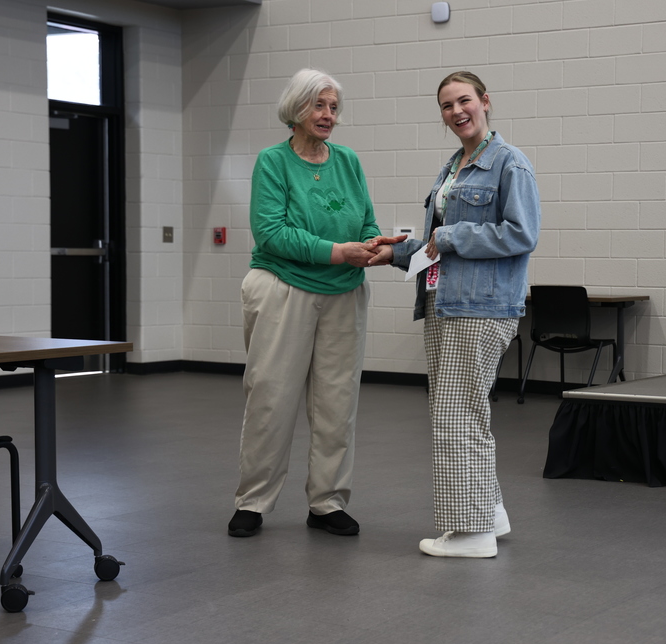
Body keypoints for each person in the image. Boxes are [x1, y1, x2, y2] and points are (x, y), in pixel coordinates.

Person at [368, 71, 540, 558]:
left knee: (456, 414)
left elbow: (521, 234)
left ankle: (471, 534)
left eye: (464, 100)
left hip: (480, 309)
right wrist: (393, 252)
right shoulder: (453, 168)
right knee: (463, 412)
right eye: (446, 105)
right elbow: (435, 245)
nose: (457, 111)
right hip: (443, 303)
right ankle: (491, 513)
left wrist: (451, 236)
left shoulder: (510, 163)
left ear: (485, 101)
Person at [228, 68, 391, 538]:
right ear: (296, 109)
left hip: (344, 292)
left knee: (337, 405)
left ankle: (327, 502)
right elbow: (271, 232)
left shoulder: (348, 161)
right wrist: (337, 252)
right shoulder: (273, 161)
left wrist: (373, 244)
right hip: (284, 288)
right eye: (319, 105)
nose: (328, 115)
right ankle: (253, 501)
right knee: (271, 400)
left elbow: (365, 219)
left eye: (334, 107)